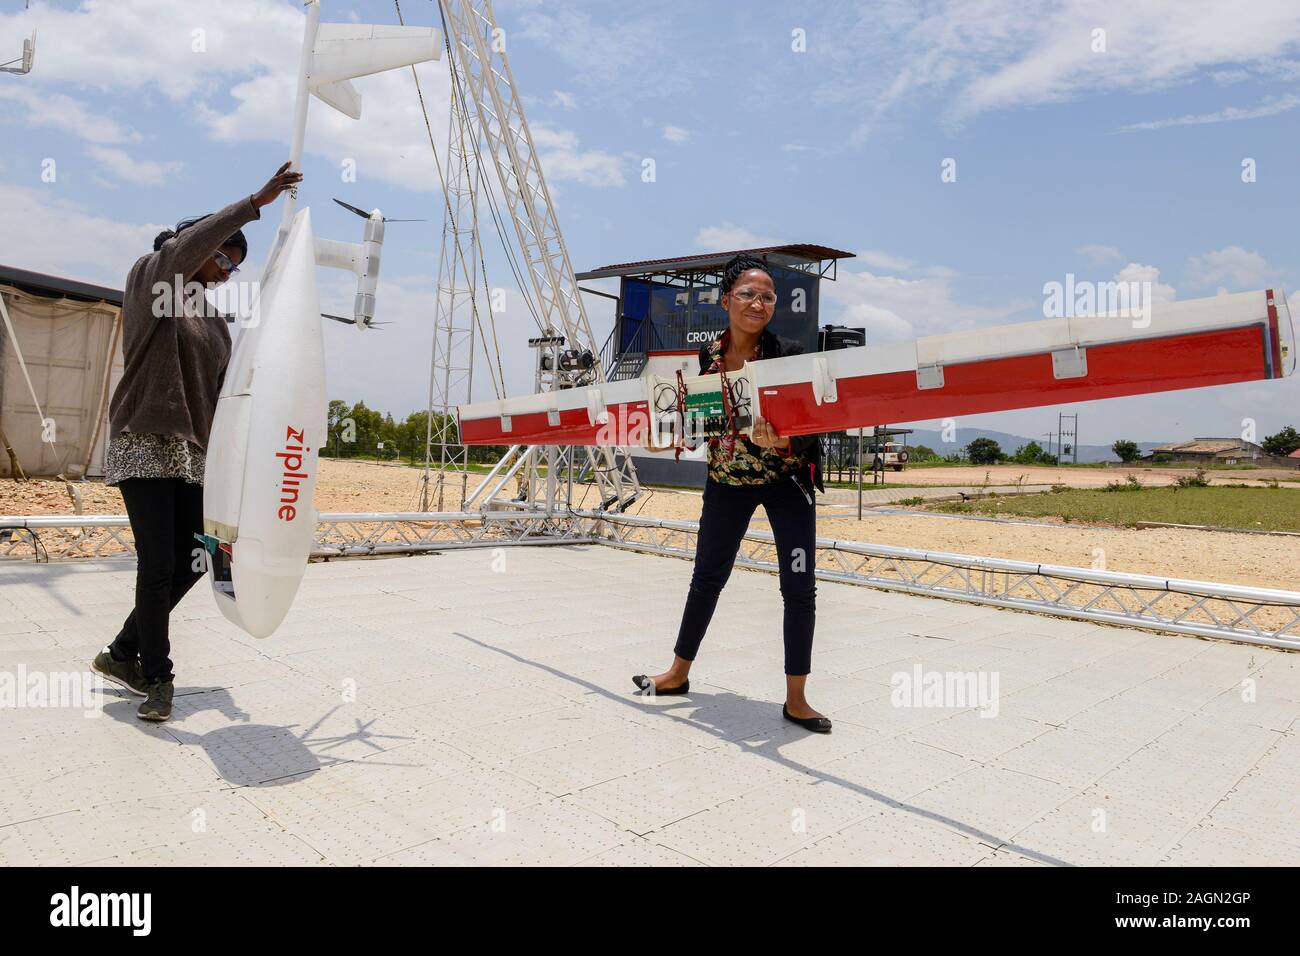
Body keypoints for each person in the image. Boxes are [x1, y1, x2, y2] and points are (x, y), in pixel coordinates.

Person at [90, 162, 303, 722]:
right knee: (157, 564)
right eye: (227, 257)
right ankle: (158, 679)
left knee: (192, 559)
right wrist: (255, 201)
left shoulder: (213, 319)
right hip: (145, 439)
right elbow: (185, 251)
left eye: (237, 265)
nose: (230, 270)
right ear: (196, 242)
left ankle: (120, 652)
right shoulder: (152, 281)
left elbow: (229, 391)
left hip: (194, 453)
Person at [633, 253, 831, 733]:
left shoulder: (788, 355)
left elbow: (814, 426)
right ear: (726, 301)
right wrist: (675, 433)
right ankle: (678, 674)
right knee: (706, 577)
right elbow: (706, 426)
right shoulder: (706, 361)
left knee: (798, 588)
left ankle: (797, 700)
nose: (758, 303)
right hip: (727, 482)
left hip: (787, 483)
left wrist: (783, 439)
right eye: (748, 293)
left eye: (767, 296)